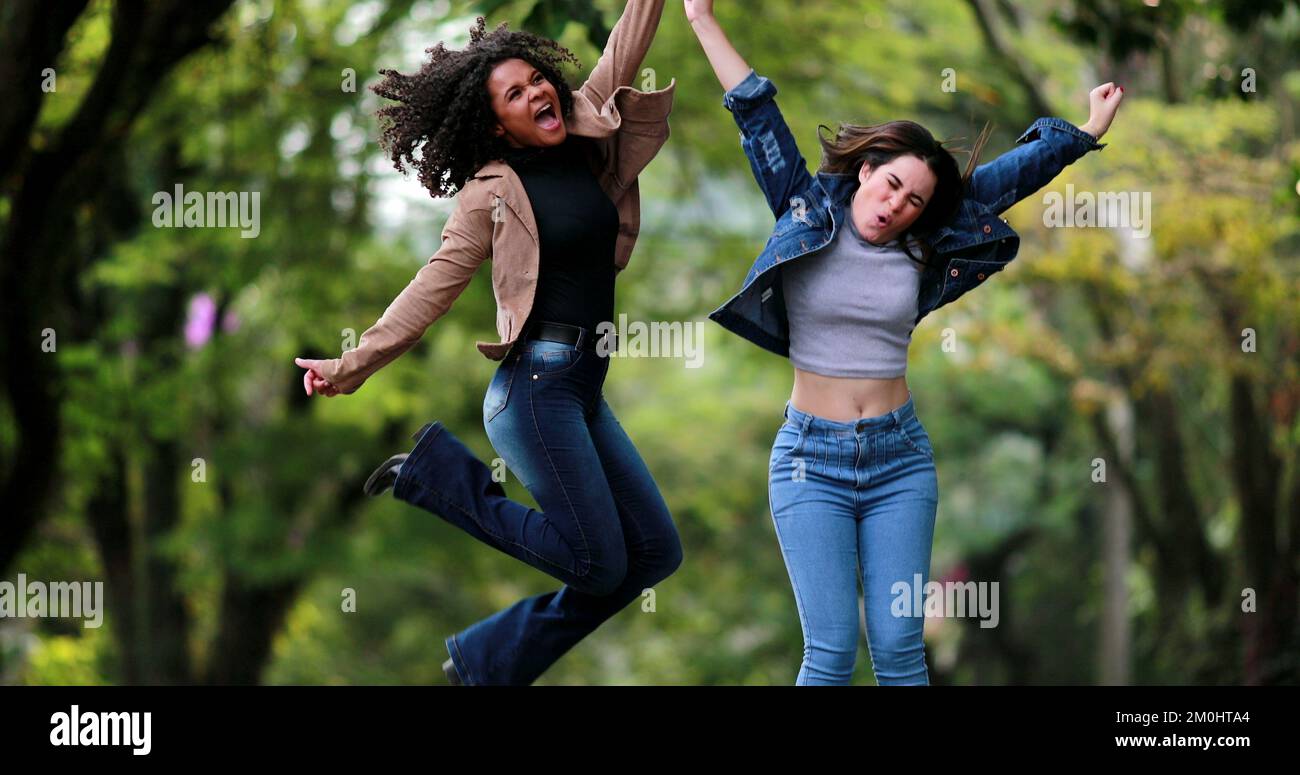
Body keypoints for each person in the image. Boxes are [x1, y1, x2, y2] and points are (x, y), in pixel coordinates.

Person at [685, 0, 1123, 684]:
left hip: (899, 459)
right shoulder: (803, 208)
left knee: (898, 651)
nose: (897, 206)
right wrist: (702, 20)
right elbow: (757, 114)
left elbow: (1014, 175)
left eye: (915, 201)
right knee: (829, 655)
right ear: (866, 171)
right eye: (892, 185)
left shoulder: (931, 242)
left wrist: (1086, 129)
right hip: (809, 460)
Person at [294, 1, 682, 686]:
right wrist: (353, 364)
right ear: (494, 122)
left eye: (537, 80)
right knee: (599, 563)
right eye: (515, 93)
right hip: (534, 392)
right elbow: (432, 288)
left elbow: (627, 40)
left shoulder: (587, 122)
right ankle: (433, 475)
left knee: (653, 551)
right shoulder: (489, 194)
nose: (537, 92)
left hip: (583, 390)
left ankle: (487, 662)